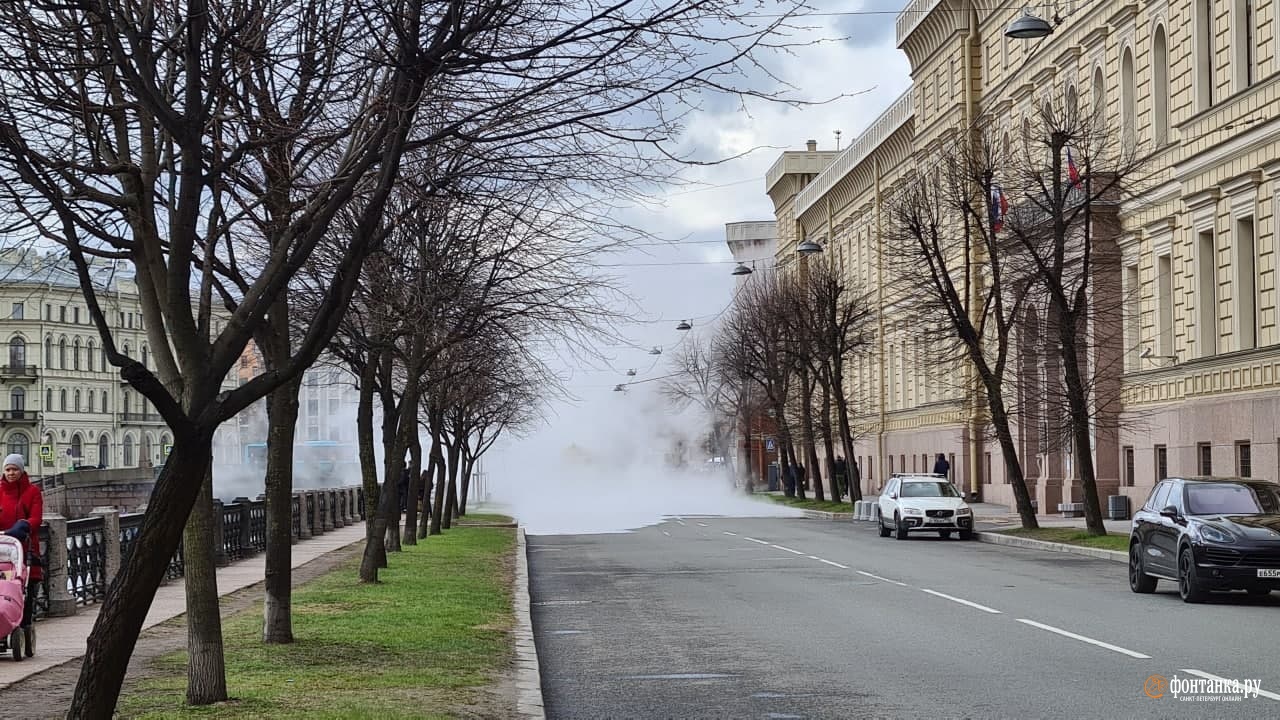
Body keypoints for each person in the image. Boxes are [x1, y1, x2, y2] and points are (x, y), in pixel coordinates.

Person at [0, 453, 42, 657]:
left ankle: (24, 626)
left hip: (23, 547)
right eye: (7, 469)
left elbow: (36, 517)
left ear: (22, 470)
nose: (10, 473)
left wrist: (24, 525)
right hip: (1, 548)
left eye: (14, 469)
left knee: (26, 592)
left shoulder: (32, 491)